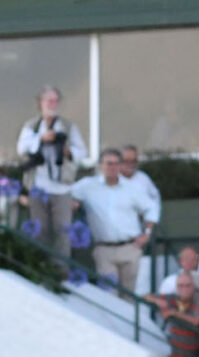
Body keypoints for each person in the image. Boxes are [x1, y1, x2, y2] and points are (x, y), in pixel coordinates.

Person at [68, 146, 158, 291]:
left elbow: (151, 207)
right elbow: (67, 196)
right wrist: (73, 204)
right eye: (109, 163)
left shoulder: (132, 187)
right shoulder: (87, 185)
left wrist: (147, 233)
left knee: (129, 294)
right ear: (100, 165)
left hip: (130, 247)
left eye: (116, 163)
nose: (113, 167)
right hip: (104, 248)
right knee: (109, 293)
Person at [16, 86, 86, 262]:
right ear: (40, 103)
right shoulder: (32, 126)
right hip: (38, 187)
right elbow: (21, 148)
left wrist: (68, 152)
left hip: (62, 187)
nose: (53, 104)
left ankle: (61, 271)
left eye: (56, 101)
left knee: (63, 231)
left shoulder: (68, 126)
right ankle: (40, 268)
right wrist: (41, 139)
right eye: (49, 101)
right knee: (39, 231)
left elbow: (82, 152)